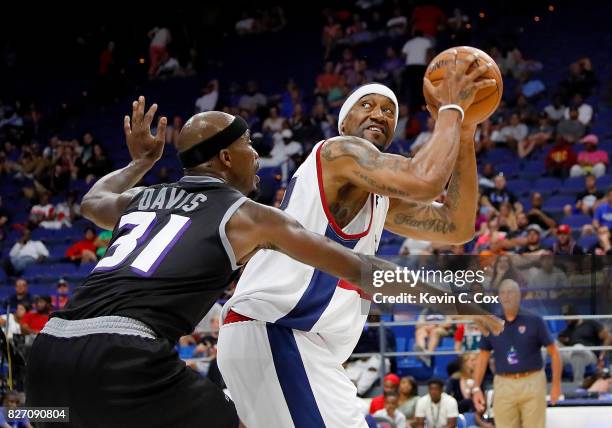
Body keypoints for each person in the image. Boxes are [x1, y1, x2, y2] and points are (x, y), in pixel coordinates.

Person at [27, 98, 431, 427]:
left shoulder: (142, 198)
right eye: (249, 145)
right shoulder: (245, 215)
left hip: (47, 357)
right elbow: (360, 268)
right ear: (225, 157)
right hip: (126, 358)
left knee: (49, 417)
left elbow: (91, 202)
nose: (256, 155)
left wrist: (139, 164)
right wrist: (459, 298)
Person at [218, 53, 502, 428]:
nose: (379, 114)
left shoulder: (377, 197)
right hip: (277, 329)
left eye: (389, 111)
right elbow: (426, 179)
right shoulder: (337, 152)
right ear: (344, 122)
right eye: (366, 105)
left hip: (304, 345)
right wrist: (451, 107)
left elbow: (456, 226)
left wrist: (464, 132)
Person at [472, 279, 562, 428]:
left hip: (532, 381)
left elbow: (554, 353)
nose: (507, 296)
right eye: (503, 293)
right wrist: (476, 387)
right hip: (503, 383)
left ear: (519, 296)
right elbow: (482, 357)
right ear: (499, 297)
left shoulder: (534, 320)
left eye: (511, 292)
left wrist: (556, 385)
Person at [557, 307, 609, 385]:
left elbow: (608, 337)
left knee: (578, 348)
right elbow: (560, 339)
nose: (567, 320)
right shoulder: (568, 329)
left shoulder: (590, 323)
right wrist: (561, 340)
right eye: (565, 317)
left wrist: (601, 356)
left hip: (589, 355)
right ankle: (547, 380)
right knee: (550, 344)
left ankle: (577, 384)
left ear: (575, 315)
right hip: (571, 354)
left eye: (568, 317)